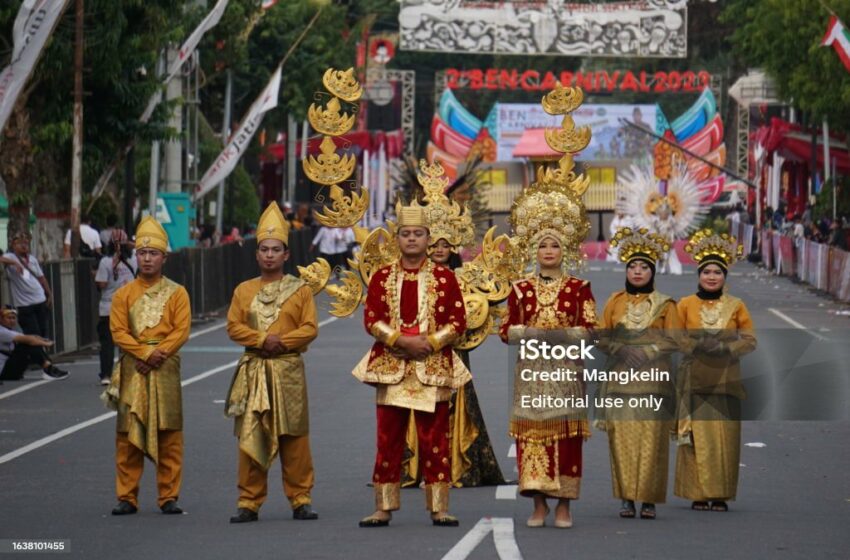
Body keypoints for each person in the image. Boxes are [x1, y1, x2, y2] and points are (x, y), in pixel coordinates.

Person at [354, 200, 470, 528]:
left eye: (418, 233)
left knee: (436, 440)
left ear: (428, 238)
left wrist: (429, 343)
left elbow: (458, 321)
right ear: (397, 239)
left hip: (432, 366)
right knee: (387, 440)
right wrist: (401, 341)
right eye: (406, 234)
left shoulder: (446, 278)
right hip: (392, 367)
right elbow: (372, 319)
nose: (412, 239)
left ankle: (439, 507)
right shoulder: (381, 278)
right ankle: (383, 508)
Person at [402, 160, 504, 488]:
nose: (439, 250)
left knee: (454, 405)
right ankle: (419, 466)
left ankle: (456, 463)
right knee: (419, 405)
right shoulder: (410, 277)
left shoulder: (465, 275)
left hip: (453, 352)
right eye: (434, 244)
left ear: (454, 246)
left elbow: (477, 310)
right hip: (417, 351)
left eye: (445, 244)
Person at [498, 189, 597, 529]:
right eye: (542, 245)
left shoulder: (579, 288)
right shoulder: (520, 288)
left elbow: (591, 329)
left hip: (567, 373)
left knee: (567, 441)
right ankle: (538, 505)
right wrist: (530, 335)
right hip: (531, 375)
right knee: (532, 440)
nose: (549, 251)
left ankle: (565, 506)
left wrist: (555, 336)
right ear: (533, 250)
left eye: (554, 245)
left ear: (565, 248)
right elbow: (506, 330)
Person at [225, 202, 319, 524]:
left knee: (295, 437)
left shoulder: (301, 290)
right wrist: (263, 340)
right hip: (254, 370)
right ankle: (249, 500)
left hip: (288, 370)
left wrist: (282, 342)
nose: (269, 255)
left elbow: (309, 328)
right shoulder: (243, 290)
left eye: (275, 249)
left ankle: (301, 498)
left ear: (286, 255)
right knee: (253, 432)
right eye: (263, 249)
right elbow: (234, 326)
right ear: (256, 254)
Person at [101, 216, 191, 516]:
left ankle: (169, 496)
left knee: (169, 434)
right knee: (128, 434)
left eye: (153, 253)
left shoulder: (178, 293)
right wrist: (142, 352)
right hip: (134, 370)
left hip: (164, 370)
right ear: (135, 255)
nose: (148, 258)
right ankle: (127, 496)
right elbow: (118, 331)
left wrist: (158, 353)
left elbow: (181, 330)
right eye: (142, 253)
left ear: (164, 257)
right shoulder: (123, 295)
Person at [596, 227, 681, 520]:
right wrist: (620, 350)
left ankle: (649, 499)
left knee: (652, 443)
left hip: (654, 384)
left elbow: (675, 339)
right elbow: (600, 335)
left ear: (653, 271)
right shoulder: (615, 301)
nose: (637, 271)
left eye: (644, 267)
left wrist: (647, 352)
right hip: (620, 385)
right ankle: (627, 499)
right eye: (632, 266)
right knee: (621, 443)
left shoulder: (667, 305)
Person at [676, 229, 757, 512]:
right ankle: (698, 493)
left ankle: (720, 494)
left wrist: (724, 349)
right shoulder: (685, 304)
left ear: (725, 277)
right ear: (698, 274)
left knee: (725, 441)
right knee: (697, 440)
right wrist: (697, 346)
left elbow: (749, 341)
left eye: (717, 272)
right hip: (694, 380)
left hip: (726, 381)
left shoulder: (736, 306)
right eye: (706, 271)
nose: (711, 277)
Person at [3, 232, 68, 379]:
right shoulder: (11, 258)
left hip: (39, 300)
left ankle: (14, 369)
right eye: (20, 243)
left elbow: (41, 277)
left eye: (26, 243)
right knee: (33, 336)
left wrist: (49, 293)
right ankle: (47, 366)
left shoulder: (31, 259)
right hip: (25, 304)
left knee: (40, 335)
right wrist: (14, 263)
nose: (24, 245)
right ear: (13, 245)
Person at [94, 229, 137, 385]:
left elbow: (102, 284)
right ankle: (126, 374)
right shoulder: (134, 260)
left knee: (107, 343)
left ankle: (106, 375)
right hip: (129, 307)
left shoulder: (105, 262)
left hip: (109, 307)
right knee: (127, 342)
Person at [0, 306, 56, 383]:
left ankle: (49, 367)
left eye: (14, 318)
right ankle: (48, 368)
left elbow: (29, 337)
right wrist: (46, 343)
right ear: (1, 319)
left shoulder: (10, 330)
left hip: (8, 368)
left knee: (31, 343)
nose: (12, 321)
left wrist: (42, 339)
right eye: (9, 318)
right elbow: (28, 340)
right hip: (3, 372)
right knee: (27, 345)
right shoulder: (2, 331)